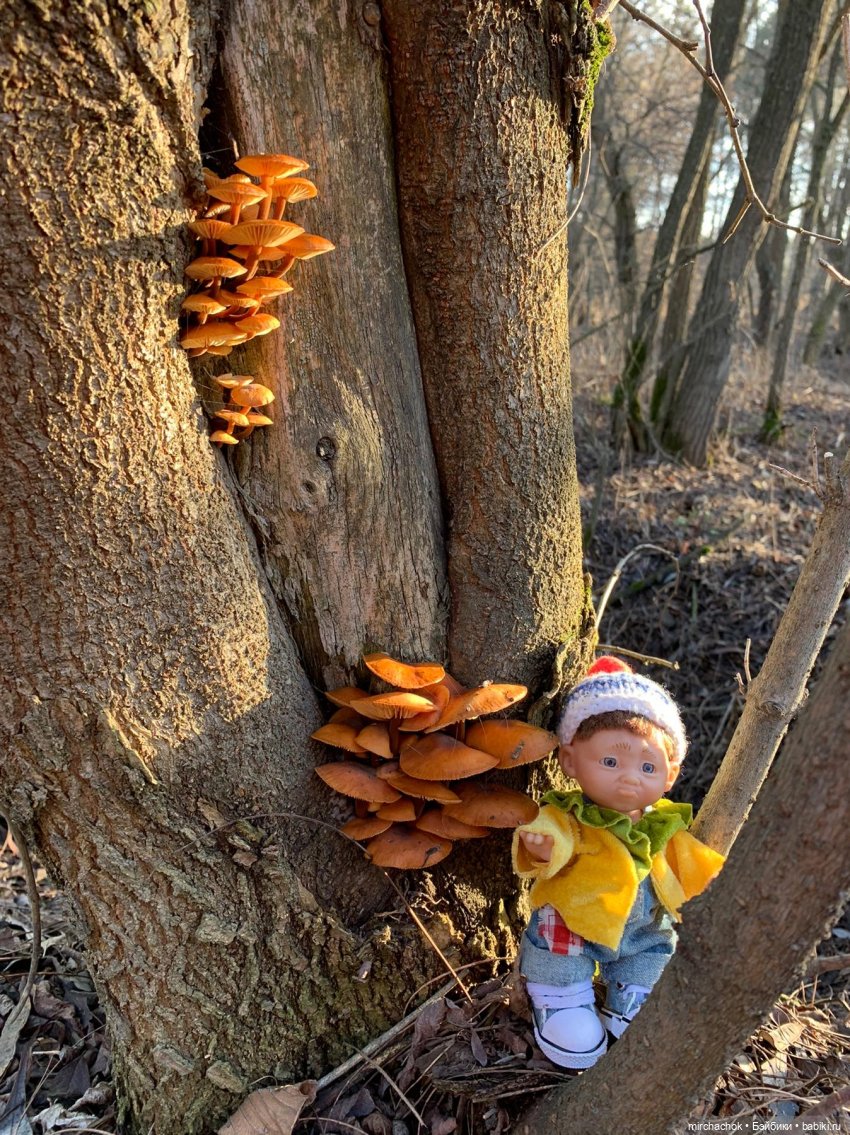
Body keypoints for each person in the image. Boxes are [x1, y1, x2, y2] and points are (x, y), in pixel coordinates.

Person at [512, 656, 724, 1070]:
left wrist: (719, 881)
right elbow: (551, 832)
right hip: (574, 923)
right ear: (570, 762)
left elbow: (695, 864)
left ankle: (633, 993)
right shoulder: (572, 814)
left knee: (654, 947)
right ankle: (559, 995)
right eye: (611, 762)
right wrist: (541, 847)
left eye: (647, 767)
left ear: (670, 774)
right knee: (560, 945)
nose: (630, 778)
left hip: (640, 930)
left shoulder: (664, 824)